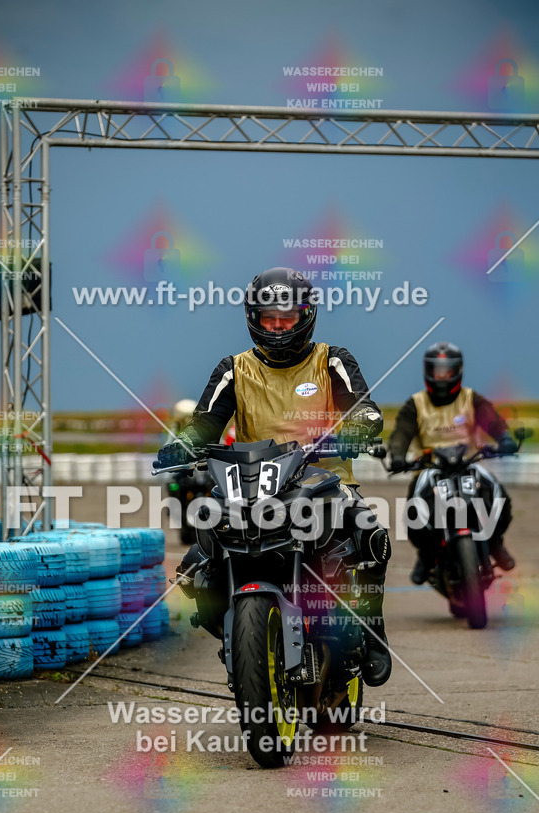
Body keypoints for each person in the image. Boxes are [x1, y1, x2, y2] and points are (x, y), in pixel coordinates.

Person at [155, 266, 392, 686]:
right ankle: (235, 629)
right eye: (269, 319)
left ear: (306, 317)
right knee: (198, 557)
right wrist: (184, 444)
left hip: (326, 481)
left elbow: (363, 408)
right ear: (253, 319)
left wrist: (358, 427)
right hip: (253, 488)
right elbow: (204, 424)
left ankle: (373, 633)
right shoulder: (234, 369)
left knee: (370, 531)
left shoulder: (333, 360)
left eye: (287, 318)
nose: (279, 328)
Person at [387, 342, 517, 585]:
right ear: (428, 372)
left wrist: (505, 439)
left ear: (458, 371)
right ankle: (426, 555)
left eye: (447, 371)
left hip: (468, 463)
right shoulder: (415, 404)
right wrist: (396, 455)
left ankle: (496, 543)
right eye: (438, 371)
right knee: (414, 510)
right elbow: (401, 434)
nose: (442, 376)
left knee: (499, 496)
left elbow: (492, 421)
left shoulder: (471, 398)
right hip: (431, 469)